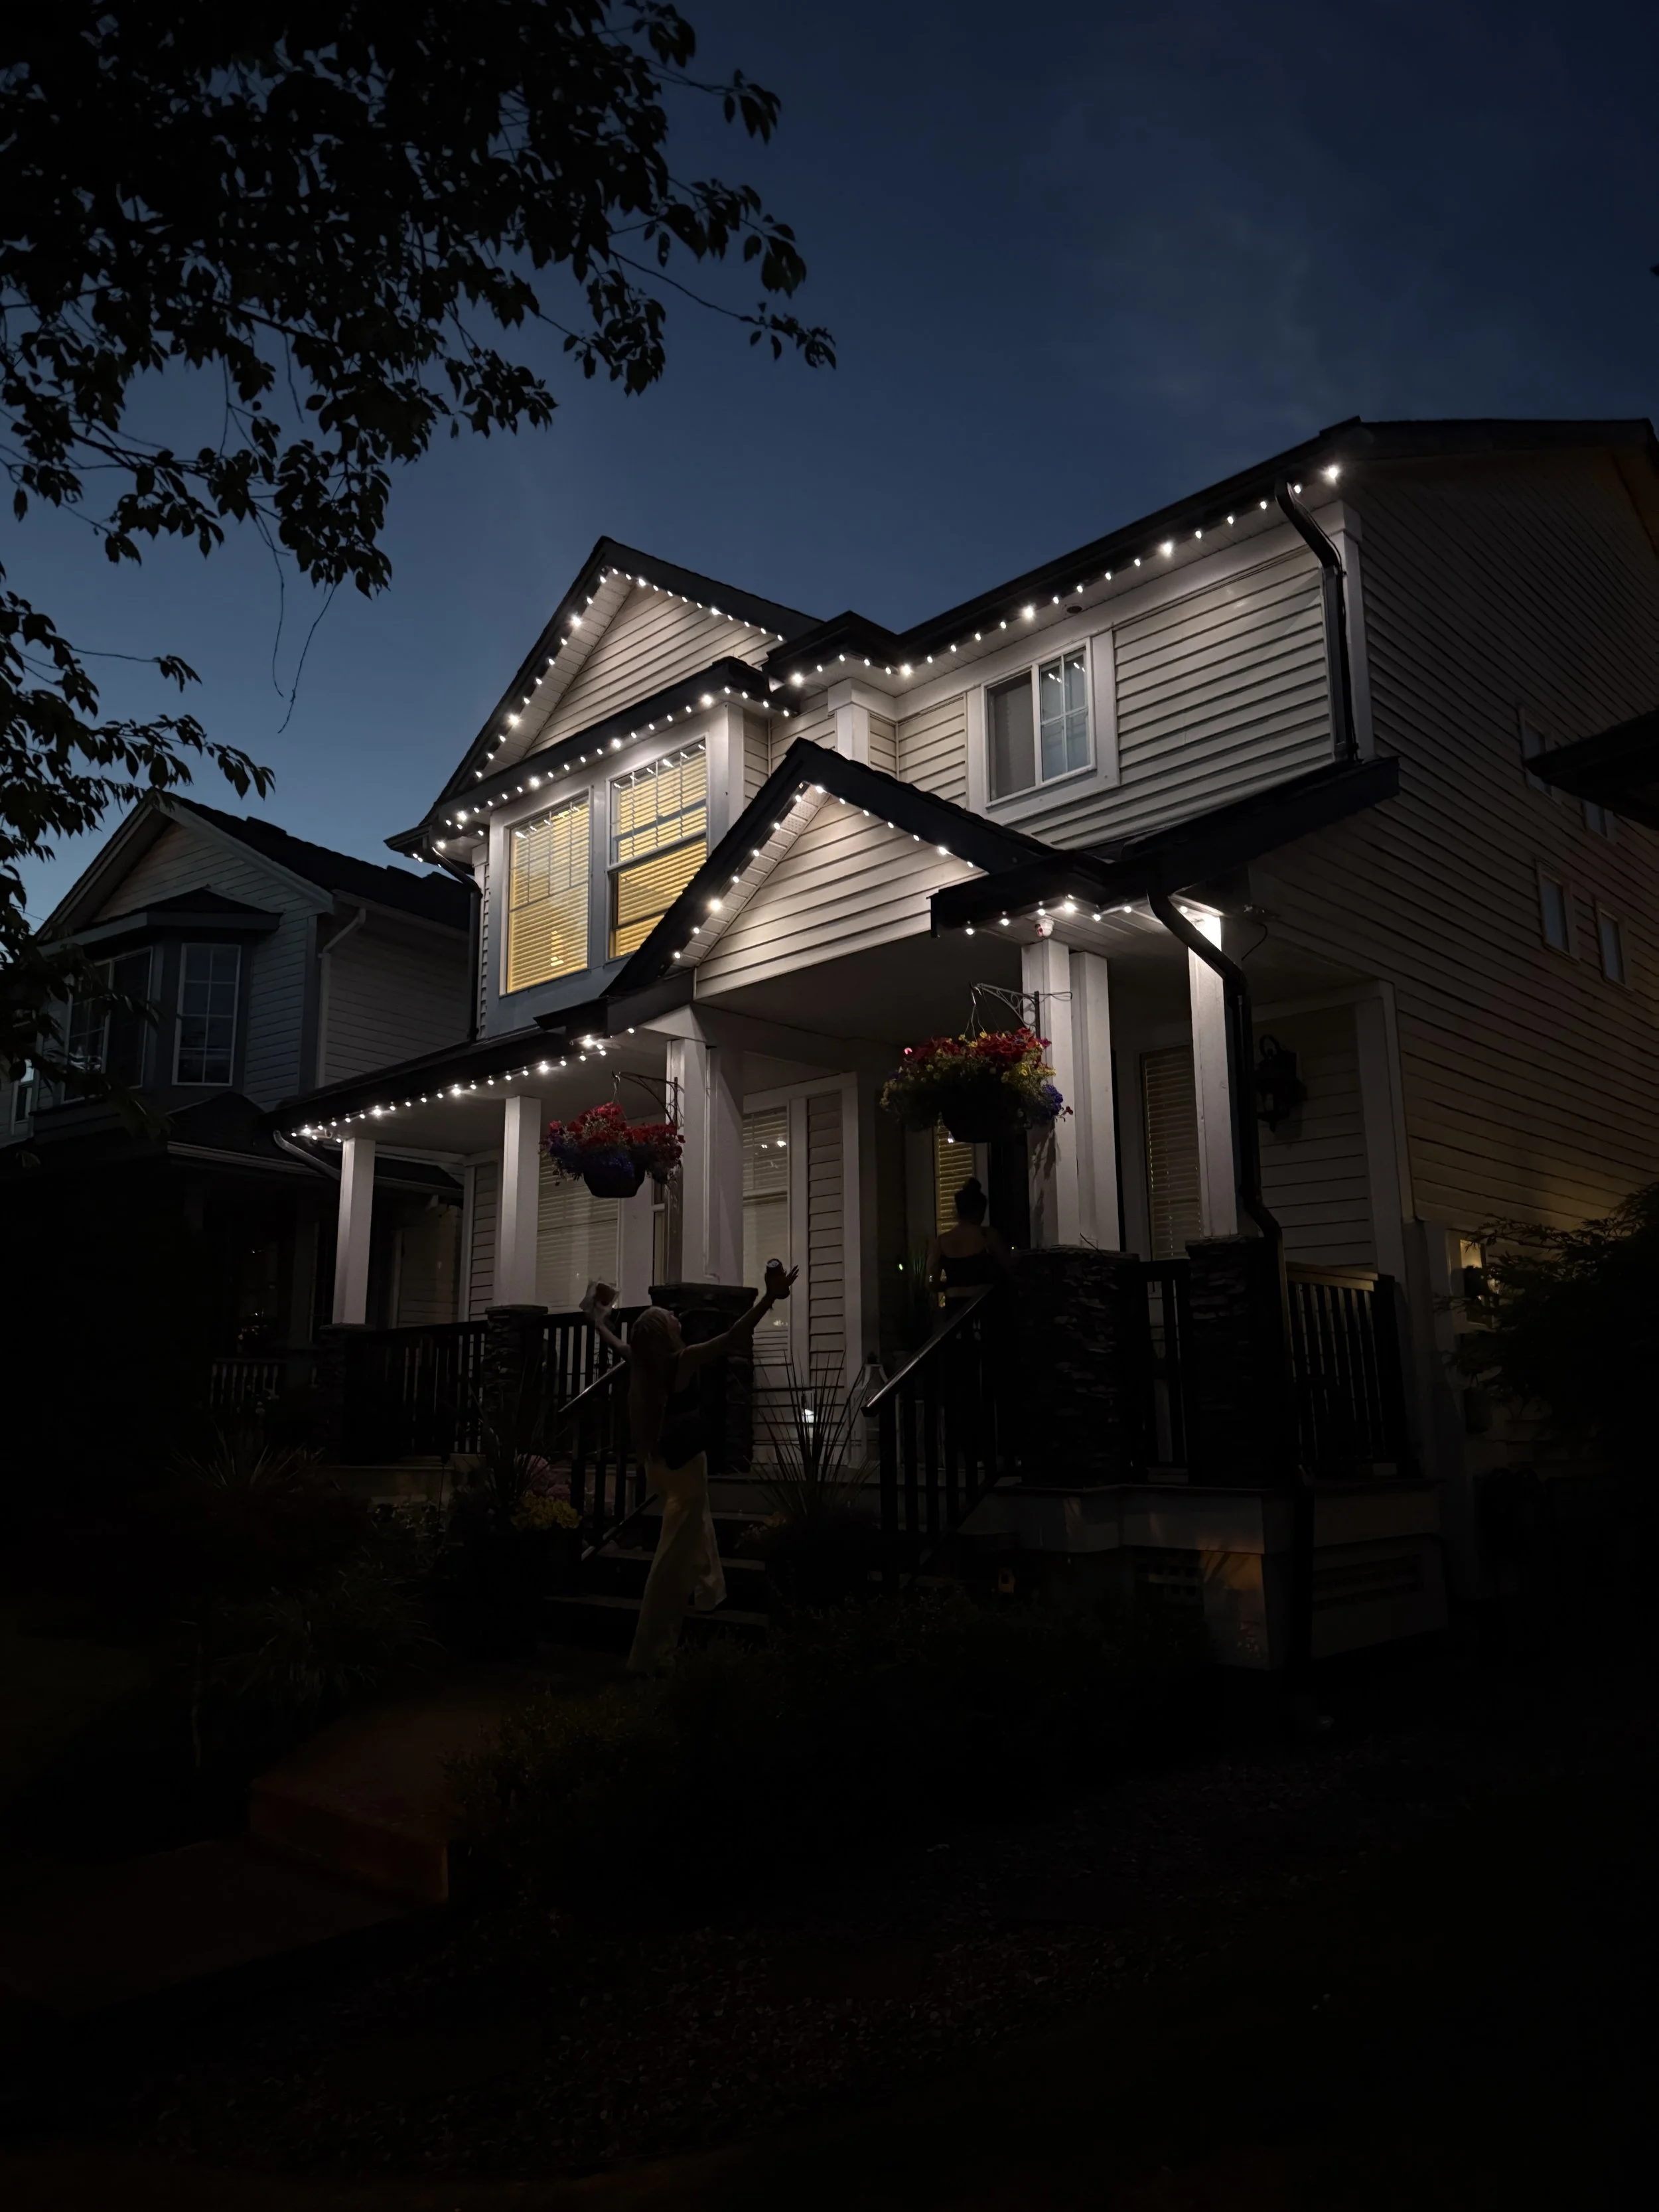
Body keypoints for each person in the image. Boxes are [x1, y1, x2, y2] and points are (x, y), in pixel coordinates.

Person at [585, 1262, 798, 1674]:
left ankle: (709, 1590)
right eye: (669, 1318)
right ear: (664, 1334)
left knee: (696, 1531)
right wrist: (770, 1297)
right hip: (685, 1471)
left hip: (659, 1465)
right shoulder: (680, 1361)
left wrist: (598, 1321)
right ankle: (649, 1655)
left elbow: (615, 1342)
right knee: (670, 1564)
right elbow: (735, 1336)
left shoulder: (641, 1362)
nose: (676, 1318)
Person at [924, 1177, 1009, 1322]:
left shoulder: (942, 1242)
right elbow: (1007, 1269)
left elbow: (931, 1277)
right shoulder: (987, 1236)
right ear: (980, 1211)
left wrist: (939, 1284)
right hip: (984, 1308)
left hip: (954, 1311)